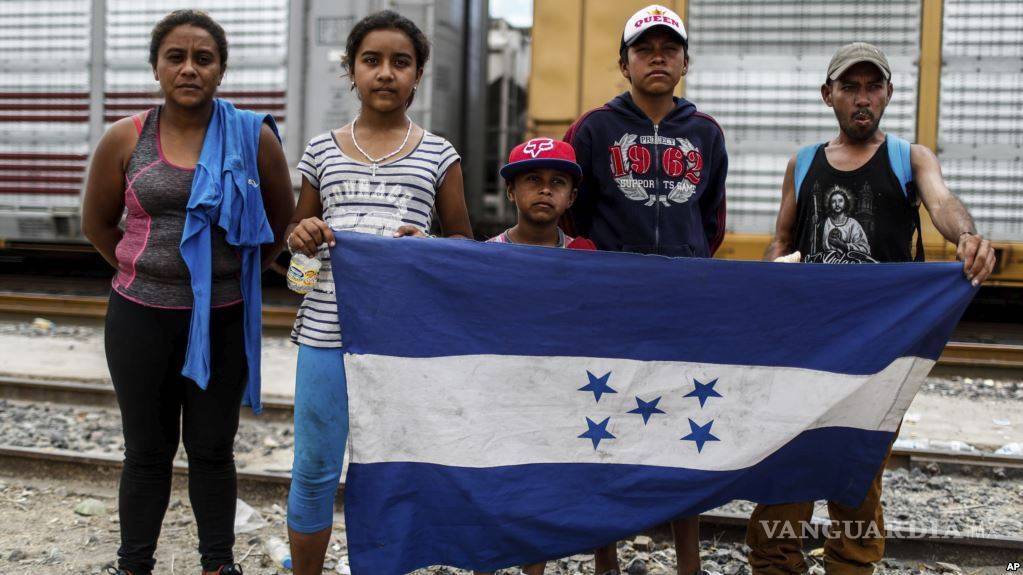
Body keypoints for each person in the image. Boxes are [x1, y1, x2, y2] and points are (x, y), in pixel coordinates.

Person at [749, 42, 996, 575]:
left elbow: (943, 204)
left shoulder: (911, 157)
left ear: (887, 93)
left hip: (880, 355)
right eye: (849, 87)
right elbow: (782, 238)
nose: (862, 98)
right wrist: (776, 271)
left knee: (857, 479)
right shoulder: (805, 163)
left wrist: (968, 236)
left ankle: (851, 565)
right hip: (807, 349)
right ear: (828, 95)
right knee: (785, 475)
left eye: (872, 87)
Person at [80, 9, 294, 575]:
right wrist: (143, 270)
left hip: (222, 319)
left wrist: (224, 278)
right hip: (139, 319)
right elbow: (97, 224)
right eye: (176, 56)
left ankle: (217, 565)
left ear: (221, 69)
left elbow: (278, 225)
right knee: (146, 454)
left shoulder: (254, 138)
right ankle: (134, 565)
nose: (190, 68)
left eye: (204, 58)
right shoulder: (125, 138)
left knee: (212, 451)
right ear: (156, 67)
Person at [284, 10, 473, 575]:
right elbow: (295, 256)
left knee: (393, 467)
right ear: (351, 71)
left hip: (402, 343)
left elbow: (465, 247)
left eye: (400, 62)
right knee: (314, 468)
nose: (385, 72)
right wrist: (302, 237)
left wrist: (430, 245)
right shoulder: (321, 151)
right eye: (371, 60)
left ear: (418, 74)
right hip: (325, 335)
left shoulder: (440, 156)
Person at [562, 4, 728, 574]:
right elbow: (570, 211)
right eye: (644, 48)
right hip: (609, 305)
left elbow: (712, 221)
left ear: (685, 60)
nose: (658, 57)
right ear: (624, 62)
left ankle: (689, 563)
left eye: (669, 48)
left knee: (686, 430)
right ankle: (605, 559)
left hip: (682, 305)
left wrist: (681, 264)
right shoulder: (594, 129)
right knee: (605, 428)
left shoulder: (705, 132)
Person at [487, 137, 596, 250]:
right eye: (533, 179)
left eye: (558, 181)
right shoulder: (488, 254)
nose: (546, 189)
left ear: (571, 197)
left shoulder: (581, 256)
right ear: (511, 191)